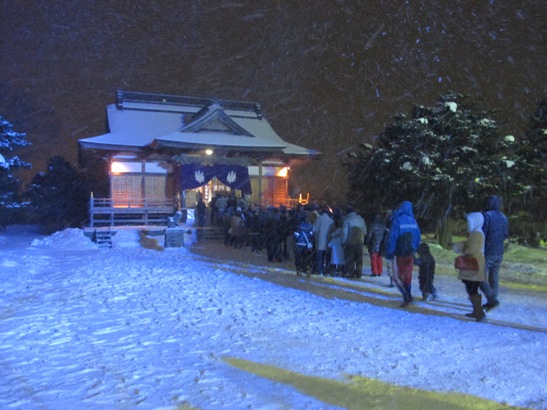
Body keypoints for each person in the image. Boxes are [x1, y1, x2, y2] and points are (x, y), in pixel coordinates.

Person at [385, 201, 421, 307]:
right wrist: (414, 248)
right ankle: (408, 293)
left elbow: (392, 238)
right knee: (407, 274)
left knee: (397, 276)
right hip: (410, 252)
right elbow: (418, 237)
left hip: (399, 252)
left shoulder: (397, 220)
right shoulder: (414, 221)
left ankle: (405, 295)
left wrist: (389, 252)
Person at [454, 212, 487, 321]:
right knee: (472, 289)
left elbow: (471, 249)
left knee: (472, 289)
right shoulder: (477, 233)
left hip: (474, 265)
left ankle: (479, 313)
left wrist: (463, 249)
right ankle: (477, 311)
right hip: (476, 264)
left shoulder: (476, 234)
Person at [480, 195, 509, 311]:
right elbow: (506, 235)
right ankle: (492, 299)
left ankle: (492, 300)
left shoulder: (487, 216)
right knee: (494, 277)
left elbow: (483, 234)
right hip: (499, 252)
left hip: (488, 251)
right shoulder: (504, 217)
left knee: (479, 278)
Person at [342, 206, 367, 279]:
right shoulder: (361, 219)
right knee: (359, 259)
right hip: (359, 242)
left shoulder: (347, 220)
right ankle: (359, 273)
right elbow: (365, 231)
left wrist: (343, 243)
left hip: (351, 242)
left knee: (351, 259)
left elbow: (345, 233)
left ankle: (351, 273)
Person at [313, 206, 334, 275]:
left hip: (320, 241)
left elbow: (314, 229)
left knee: (319, 257)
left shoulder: (319, 219)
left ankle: (319, 269)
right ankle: (327, 270)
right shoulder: (331, 220)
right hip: (328, 241)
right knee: (327, 257)